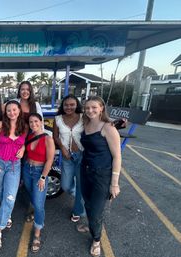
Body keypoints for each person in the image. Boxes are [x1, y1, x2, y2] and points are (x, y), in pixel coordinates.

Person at [80, 96, 121, 257]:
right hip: (85, 170)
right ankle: (91, 226)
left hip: (102, 175)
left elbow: (117, 156)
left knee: (96, 210)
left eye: (94, 107)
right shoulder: (86, 123)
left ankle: (96, 239)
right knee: (88, 204)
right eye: (87, 108)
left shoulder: (108, 127)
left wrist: (114, 183)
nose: (90, 110)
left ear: (101, 107)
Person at [0, 100, 27, 250]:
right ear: (6, 112)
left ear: (19, 110)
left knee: (10, 197)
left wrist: (23, 147)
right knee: (1, 192)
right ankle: (7, 215)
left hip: (14, 166)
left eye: (14, 109)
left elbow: (24, 141)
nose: (12, 112)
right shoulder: (0, 125)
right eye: (9, 110)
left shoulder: (23, 126)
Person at [23, 113, 55, 253]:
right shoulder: (29, 136)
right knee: (31, 194)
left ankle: (37, 234)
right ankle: (34, 213)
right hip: (27, 169)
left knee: (39, 203)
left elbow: (49, 160)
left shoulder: (48, 139)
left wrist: (43, 177)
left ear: (41, 122)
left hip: (39, 172)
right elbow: (25, 154)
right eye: (30, 122)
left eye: (36, 121)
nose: (33, 124)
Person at [53, 95, 86, 223]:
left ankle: (78, 210)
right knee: (66, 185)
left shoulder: (84, 117)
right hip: (67, 156)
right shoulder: (58, 119)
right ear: (63, 106)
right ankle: (80, 197)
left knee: (80, 185)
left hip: (82, 155)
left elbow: (100, 123)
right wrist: (62, 148)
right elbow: (55, 136)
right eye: (66, 105)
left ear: (77, 105)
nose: (69, 107)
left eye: (72, 104)